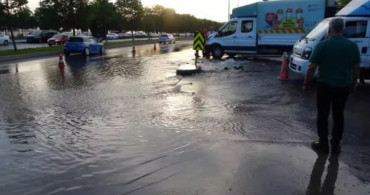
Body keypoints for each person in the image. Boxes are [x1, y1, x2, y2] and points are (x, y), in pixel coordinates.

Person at [303, 18, 360, 154]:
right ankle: (336, 143)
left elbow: (311, 67)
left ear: (329, 29)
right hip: (343, 86)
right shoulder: (352, 46)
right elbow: (356, 68)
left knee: (322, 115)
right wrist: (353, 83)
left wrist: (306, 83)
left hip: (324, 86)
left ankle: (323, 144)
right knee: (338, 115)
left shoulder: (323, 45)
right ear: (343, 30)